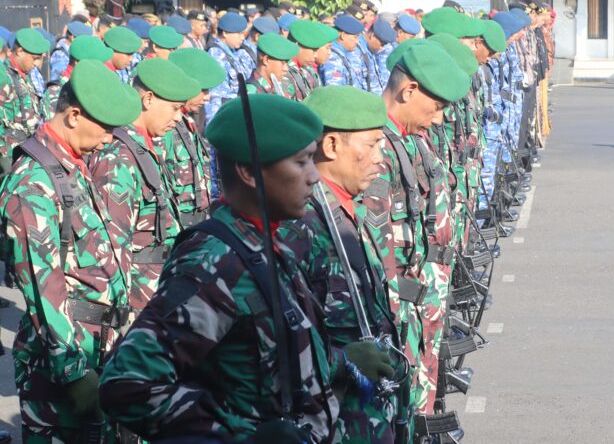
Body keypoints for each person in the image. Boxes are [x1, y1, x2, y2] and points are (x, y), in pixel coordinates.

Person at [99, 94, 344, 444]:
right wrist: (244, 437)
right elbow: (128, 384)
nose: (314, 177)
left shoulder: (267, 243)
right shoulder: (215, 261)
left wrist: (343, 362)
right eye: (302, 162)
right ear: (248, 172)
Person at [0, 59, 140, 443]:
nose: (111, 138)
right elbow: (44, 288)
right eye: (105, 127)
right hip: (61, 363)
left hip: (96, 342)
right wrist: (76, 372)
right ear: (74, 115)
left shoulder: (70, 166)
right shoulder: (32, 181)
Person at [361, 39, 470, 438]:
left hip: (417, 294)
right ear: (409, 91)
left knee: (419, 397)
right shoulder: (375, 147)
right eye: (436, 106)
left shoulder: (405, 138)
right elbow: (377, 248)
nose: (439, 119)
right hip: (398, 303)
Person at [300, 85, 404, 444]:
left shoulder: (345, 207)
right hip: (332, 421)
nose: (381, 158)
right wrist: (342, 360)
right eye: (371, 144)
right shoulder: (305, 223)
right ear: (331, 146)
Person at [90, 58, 200, 317]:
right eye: (174, 108)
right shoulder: (119, 157)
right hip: (136, 300)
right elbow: (113, 250)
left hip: (155, 289)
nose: (177, 118)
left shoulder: (144, 147)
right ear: (148, 99)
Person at [163, 48, 226, 229]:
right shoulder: (165, 127)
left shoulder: (186, 121)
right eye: (203, 90)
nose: (207, 97)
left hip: (195, 218)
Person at [0, 29, 49, 175]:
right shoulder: (4, 76)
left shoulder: (24, 77)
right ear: (19, 51)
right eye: (34, 58)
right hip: (7, 156)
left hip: (24, 150)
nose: (36, 64)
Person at [205, 11, 256, 123]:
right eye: (238, 34)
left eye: (243, 34)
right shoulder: (216, 55)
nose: (242, 38)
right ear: (225, 33)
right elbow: (216, 97)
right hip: (223, 116)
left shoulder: (233, 52)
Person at [287, 19, 335, 100]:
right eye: (313, 50)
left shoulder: (308, 70)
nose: (315, 55)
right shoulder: (284, 72)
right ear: (297, 46)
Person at [322, 14, 369, 90]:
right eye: (355, 37)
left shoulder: (344, 54)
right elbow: (335, 92)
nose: (357, 42)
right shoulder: (333, 58)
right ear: (343, 35)